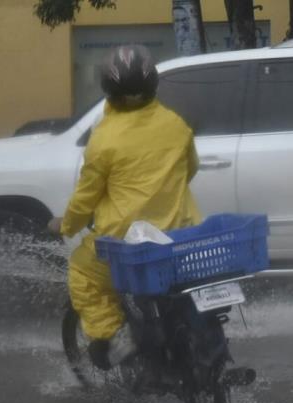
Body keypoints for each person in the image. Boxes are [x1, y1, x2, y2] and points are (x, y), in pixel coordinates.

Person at [49, 45, 200, 370]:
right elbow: (191, 169)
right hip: (178, 238)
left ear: (109, 91)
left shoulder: (104, 139)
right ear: (152, 86)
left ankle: (113, 336)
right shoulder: (176, 125)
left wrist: (66, 225)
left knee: (83, 271)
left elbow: (86, 197)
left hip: (125, 244)